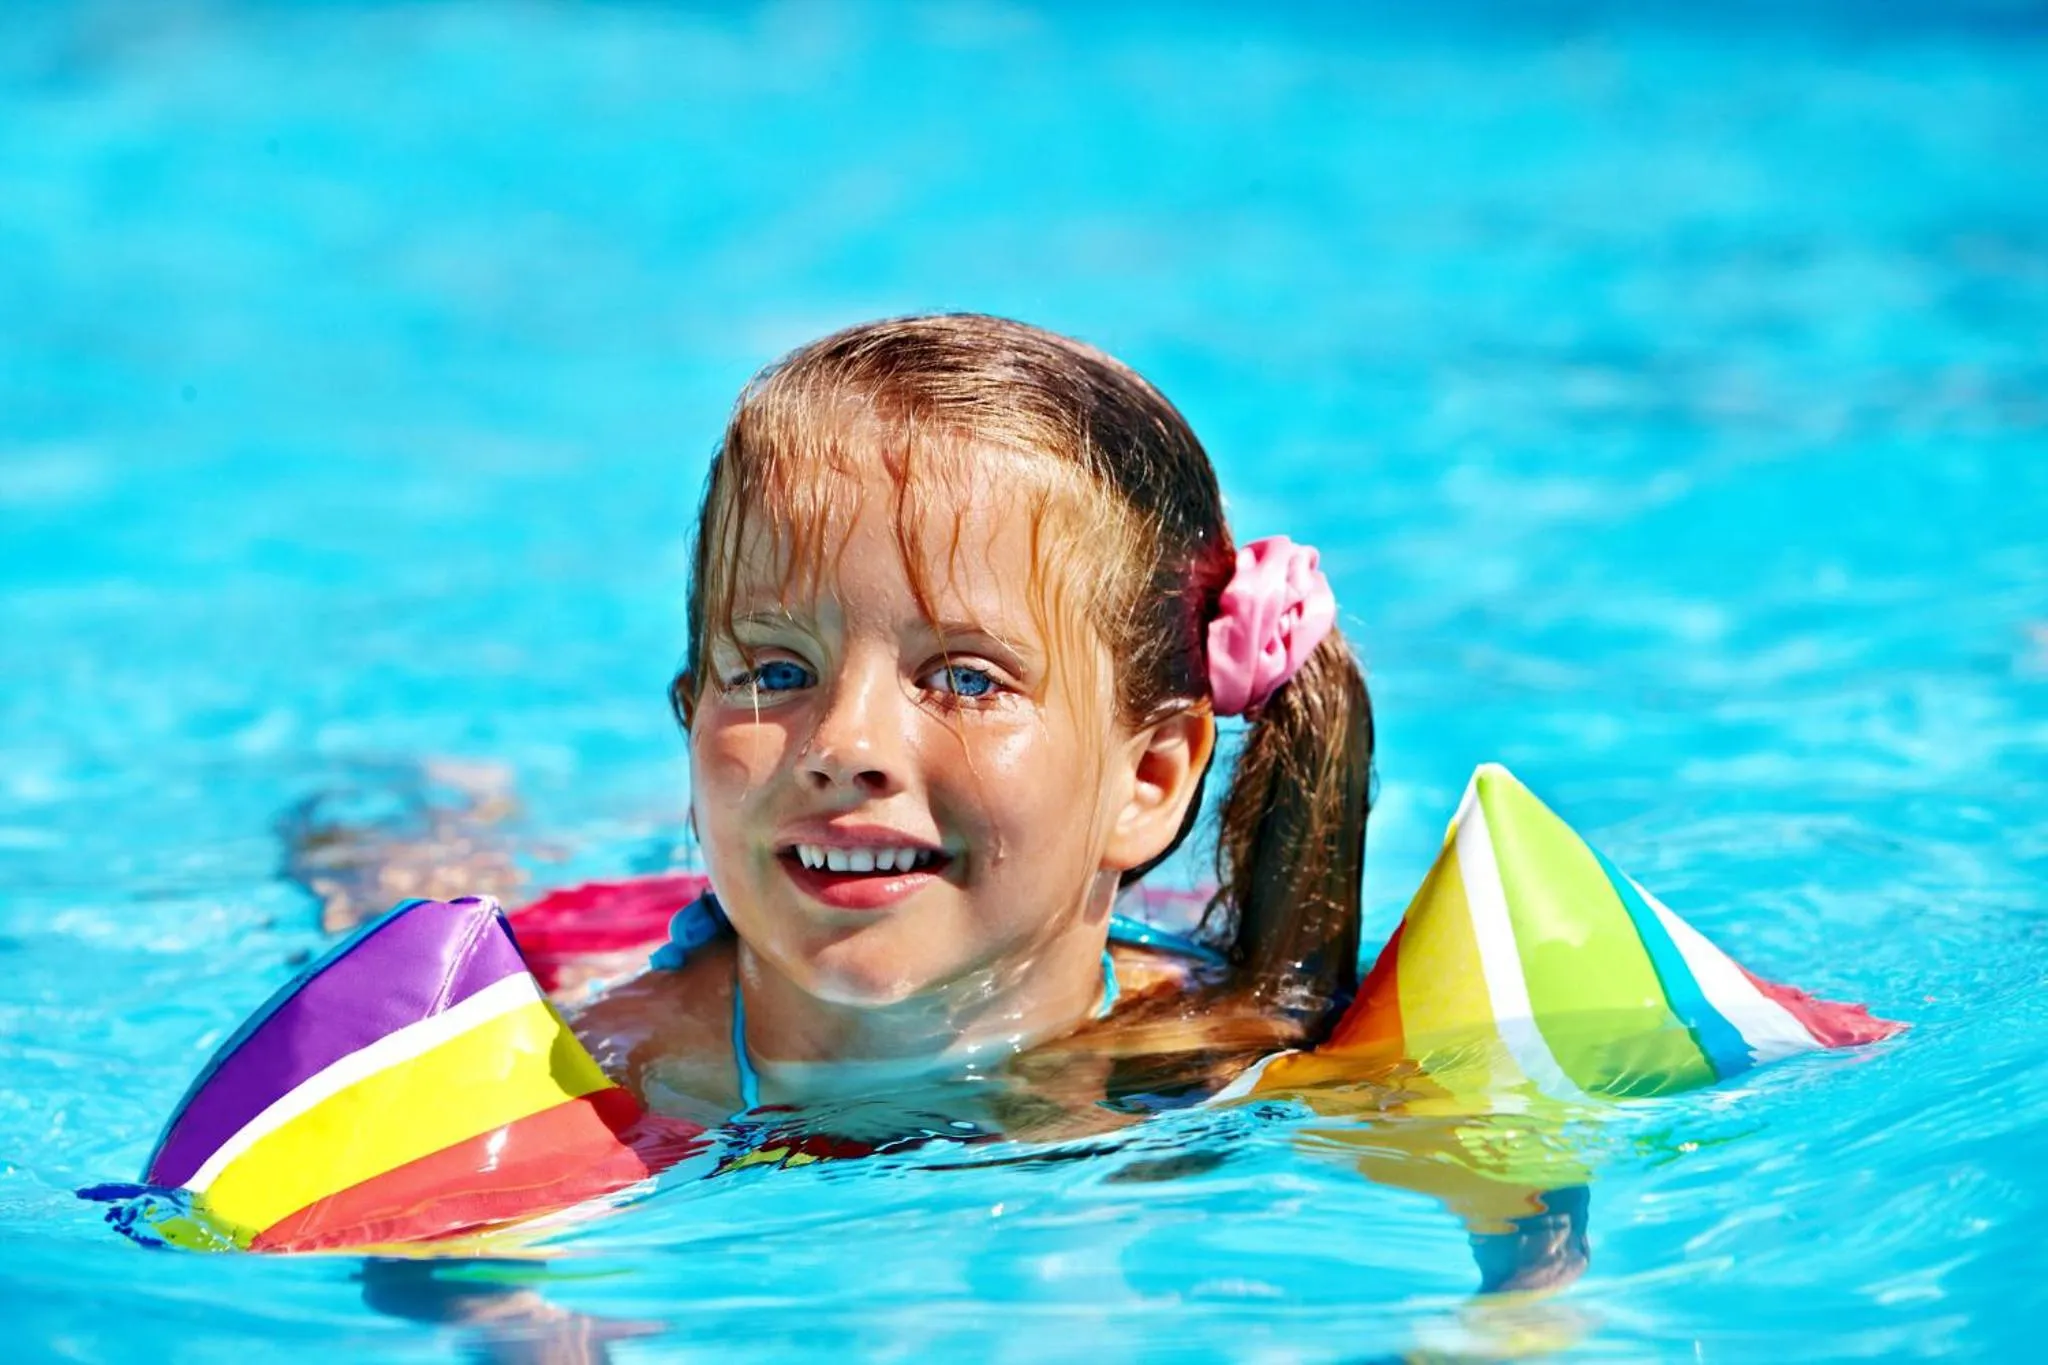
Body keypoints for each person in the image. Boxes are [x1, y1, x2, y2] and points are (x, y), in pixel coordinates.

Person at [569, 313, 1373, 1136]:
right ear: (691, 719)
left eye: (964, 679)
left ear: (1147, 779)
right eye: (776, 673)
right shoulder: (604, 1083)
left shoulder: (1251, 1078)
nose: (844, 744)